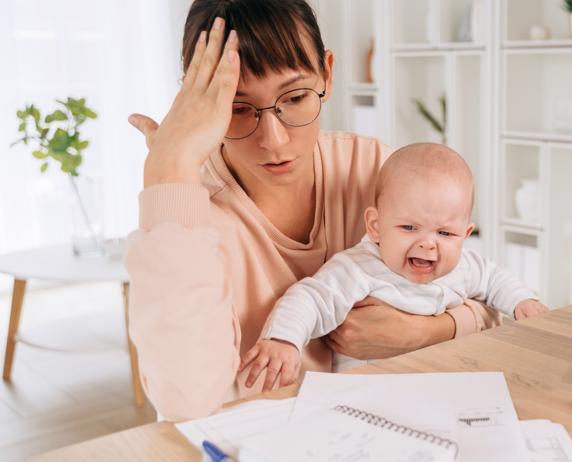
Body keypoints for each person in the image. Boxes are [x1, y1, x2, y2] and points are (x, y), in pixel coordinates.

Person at [125, 0, 500, 421]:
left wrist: (425, 331)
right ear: (199, 101)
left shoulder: (375, 170)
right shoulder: (187, 209)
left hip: (384, 423)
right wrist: (169, 168)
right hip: (257, 441)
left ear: (328, 73)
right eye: (238, 108)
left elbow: (484, 298)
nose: (275, 139)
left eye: (296, 97)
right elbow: (185, 403)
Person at [239, 143, 549, 387]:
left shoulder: (464, 266)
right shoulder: (358, 268)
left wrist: (523, 300)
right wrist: (283, 340)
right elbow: (311, 298)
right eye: (409, 228)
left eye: (445, 233)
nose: (428, 244)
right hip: (366, 393)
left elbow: (496, 280)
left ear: (465, 235)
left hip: (443, 384)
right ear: (375, 226)